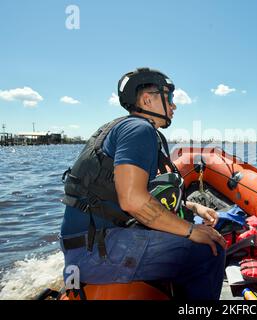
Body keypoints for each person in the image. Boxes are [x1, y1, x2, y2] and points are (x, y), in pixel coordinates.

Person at [59, 67, 226, 300]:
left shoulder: (124, 128)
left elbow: (147, 196)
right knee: (210, 250)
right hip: (96, 252)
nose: (174, 105)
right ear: (147, 99)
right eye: (169, 97)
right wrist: (191, 231)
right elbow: (134, 201)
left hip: (87, 245)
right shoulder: (139, 130)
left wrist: (195, 208)